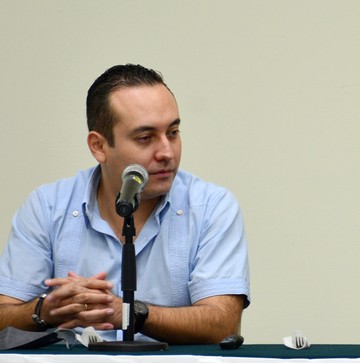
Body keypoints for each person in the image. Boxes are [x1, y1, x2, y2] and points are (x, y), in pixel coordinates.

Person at [0, 64, 250, 344]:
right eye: (145, 138)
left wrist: (129, 312)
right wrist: (44, 310)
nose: (167, 152)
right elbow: (4, 316)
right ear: (99, 146)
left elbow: (222, 323)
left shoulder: (211, 207)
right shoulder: (47, 206)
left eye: (173, 132)